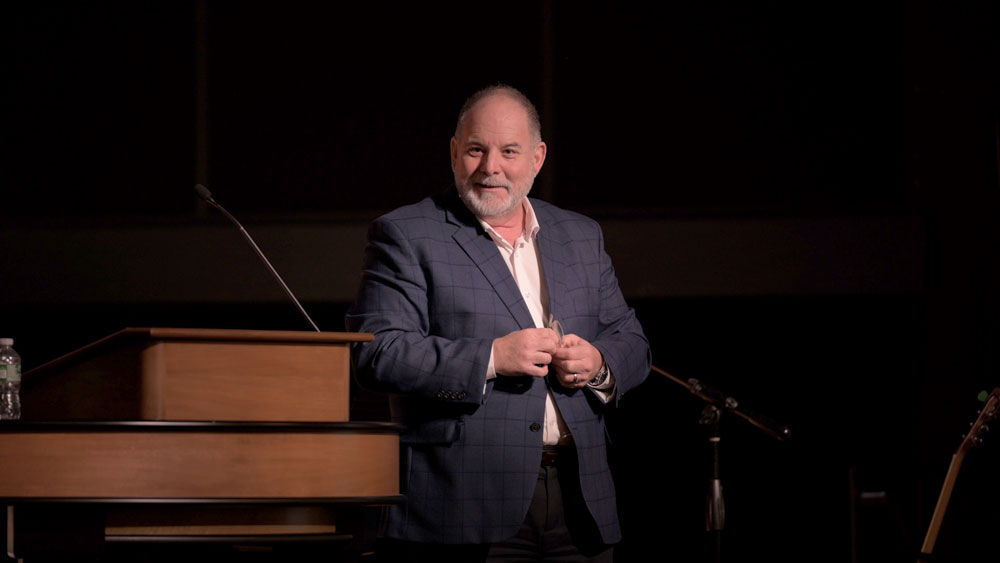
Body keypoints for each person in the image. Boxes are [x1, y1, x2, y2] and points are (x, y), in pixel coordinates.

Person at [346, 84, 650, 562]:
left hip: (580, 502)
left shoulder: (580, 234)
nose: (490, 167)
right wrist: (491, 358)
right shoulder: (406, 233)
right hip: (464, 504)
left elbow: (632, 341)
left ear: (537, 157)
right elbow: (377, 353)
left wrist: (598, 363)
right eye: (475, 150)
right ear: (453, 153)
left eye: (509, 151)